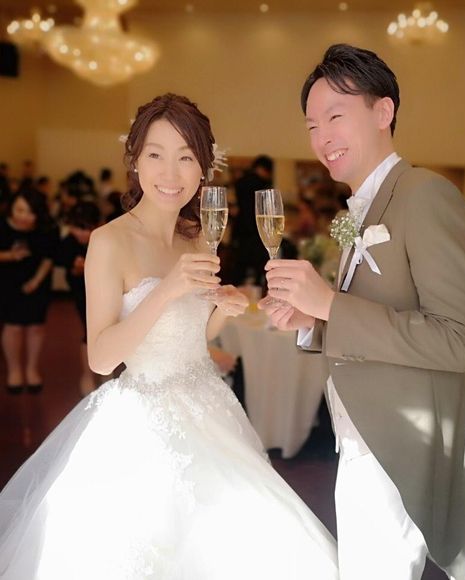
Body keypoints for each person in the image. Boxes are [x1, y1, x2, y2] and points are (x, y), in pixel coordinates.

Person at [0, 93, 338, 580]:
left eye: (186, 157)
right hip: (142, 418)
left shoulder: (197, 237)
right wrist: (166, 290)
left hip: (208, 405)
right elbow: (101, 358)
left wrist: (222, 311)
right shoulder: (109, 241)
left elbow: (193, 336)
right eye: (156, 155)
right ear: (135, 161)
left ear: (203, 169)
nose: (170, 172)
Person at [260, 44, 465, 580]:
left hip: (401, 442)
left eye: (335, 117)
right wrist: (314, 322)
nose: (322, 137)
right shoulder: (364, 207)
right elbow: (374, 318)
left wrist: (329, 304)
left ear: (383, 111)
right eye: (312, 125)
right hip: (362, 436)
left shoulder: (425, 194)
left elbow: (458, 339)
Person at [0, 189, 59, 394]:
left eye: (30, 212)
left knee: (35, 327)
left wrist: (35, 282)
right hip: (7, 281)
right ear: (11, 208)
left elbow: (49, 257)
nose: (24, 216)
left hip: (38, 280)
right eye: (19, 210)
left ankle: (32, 369)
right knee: (13, 327)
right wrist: (10, 256)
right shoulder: (2, 226)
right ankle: (14, 370)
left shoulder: (47, 229)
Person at [57, 200, 102, 396]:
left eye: (87, 228)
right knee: (88, 332)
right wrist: (78, 268)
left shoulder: (103, 238)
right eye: (78, 228)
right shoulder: (68, 242)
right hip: (82, 294)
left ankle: (105, 374)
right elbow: (66, 264)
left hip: (104, 292)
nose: (82, 233)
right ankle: (88, 375)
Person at [229, 154, 274, 286]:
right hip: (256, 231)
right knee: (261, 269)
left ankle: (234, 290)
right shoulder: (262, 185)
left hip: (240, 229)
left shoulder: (240, 182)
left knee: (239, 268)